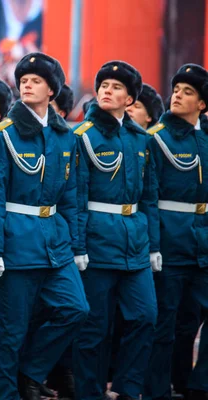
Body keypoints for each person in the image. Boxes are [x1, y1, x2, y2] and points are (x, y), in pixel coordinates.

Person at [0, 52, 88, 400]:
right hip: (17, 240)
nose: (27, 85)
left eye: (36, 81)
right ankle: (6, 393)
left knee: (76, 308)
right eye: (24, 81)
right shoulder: (4, 134)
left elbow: (71, 196)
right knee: (11, 329)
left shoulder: (65, 136)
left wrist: (76, 246)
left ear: (52, 91)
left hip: (55, 241)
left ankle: (30, 373)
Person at [72, 61, 157, 400]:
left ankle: (126, 387)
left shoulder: (140, 139)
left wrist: (154, 246)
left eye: (116, 87)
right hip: (97, 240)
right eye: (103, 85)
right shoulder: (83, 136)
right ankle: (89, 393)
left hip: (135, 241)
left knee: (145, 315)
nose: (107, 91)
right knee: (94, 328)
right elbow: (75, 198)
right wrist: (78, 246)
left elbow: (148, 196)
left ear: (130, 98)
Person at [143, 64, 208, 400]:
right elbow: (149, 199)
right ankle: (157, 390)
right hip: (170, 240)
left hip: (203, 242)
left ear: (202, 104)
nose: (178, 96)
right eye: (176, 89)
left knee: (191, 322)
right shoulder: (157, 139)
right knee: (166, 321)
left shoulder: (206, 138)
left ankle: (197, 384)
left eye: (188, 92)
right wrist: (153, 246)